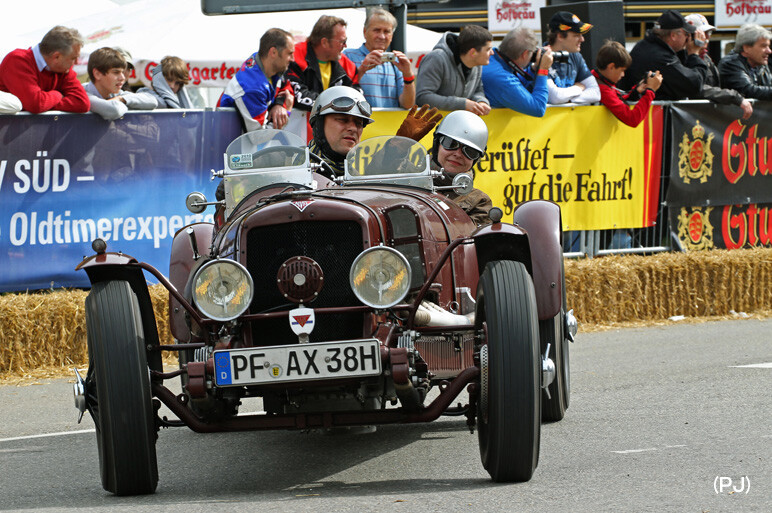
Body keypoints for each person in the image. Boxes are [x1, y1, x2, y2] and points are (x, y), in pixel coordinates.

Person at [618, 9, 708, 100]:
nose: (688, 38)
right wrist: (694, 54)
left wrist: (685, 52)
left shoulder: (649, 45)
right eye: (686, 34)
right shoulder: (660, 57)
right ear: (673, 36)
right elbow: (694, 85)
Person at [218, 28, 296, 130]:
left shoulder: (264, 62)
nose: (293, 59)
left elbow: (285, 87)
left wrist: (279, 104)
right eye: (289, 53)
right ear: (273, 52)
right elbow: (259, 139)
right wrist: (287, 112)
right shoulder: (252, 89)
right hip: (230, 142)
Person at [0, 25, 89, 114]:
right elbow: (36, 104)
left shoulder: (63, 70)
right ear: (56, 57)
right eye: (73, 58)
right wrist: (57, 94)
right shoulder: (17, 60)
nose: (76, 62)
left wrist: (45, 103)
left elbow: (82, 103)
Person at [343, 8, 415, 109]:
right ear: (365, 32)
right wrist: (362, 69)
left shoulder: (396, 61)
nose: (382, 36)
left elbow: (407, 104)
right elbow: (342, 94)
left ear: (392, 36)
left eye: (386, 32)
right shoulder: (348, 56)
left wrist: (408, 75)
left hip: (388, 123)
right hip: (358, 123)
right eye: (377, 30)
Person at [684, 14, 753, 119]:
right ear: (689, 36)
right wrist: (734, 97)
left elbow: (716, 86)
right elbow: (698, 88)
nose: (707, 37)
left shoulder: (706, 58)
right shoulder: (682, 58)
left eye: (709, 33)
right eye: (702, 33)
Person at [431, 111, 493, 226]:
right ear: (437, 144)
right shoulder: (411, 176)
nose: (458, 154)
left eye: (469, 151)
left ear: (475, 160)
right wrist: (397, 147)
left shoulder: (480, 202)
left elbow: (467, 237)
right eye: (451, 144)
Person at [415, 25, 493, 114]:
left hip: (459, 124)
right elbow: (423, 97)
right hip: (433, 126)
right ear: (473, 52)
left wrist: (481, 102)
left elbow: (478, 90)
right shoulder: (437, 59)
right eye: (488, 49)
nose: (492, 52)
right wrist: (463, 104)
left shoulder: (478, 64)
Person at [287, 16, 359, 112]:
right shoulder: (294, 57)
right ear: (324, 42)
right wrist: (336, 104)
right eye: (342, 41)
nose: (345, 46)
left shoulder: (347, 65)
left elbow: (356, 94)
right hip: (300, 125)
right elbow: (298, 97)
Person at [482, 27, 553, 117]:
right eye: (532, 52)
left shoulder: (493, 58)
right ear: (524, 54)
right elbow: (538, 108)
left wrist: (534, 69)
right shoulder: (502, 79)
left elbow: (520, 85)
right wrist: (543, 69)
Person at [591, 40, 661, 127]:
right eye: (622, 70)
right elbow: (632, 119)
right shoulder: (602, 88)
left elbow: (617, 101)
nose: (623, 75)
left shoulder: (598, 78)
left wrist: (635, 92)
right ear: (611, 67)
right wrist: (650, 91)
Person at [307, 85, 374, 177]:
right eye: (343, 120)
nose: (353, 128)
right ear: (319, 125)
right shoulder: (292, 167)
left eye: (359, 123)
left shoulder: (358, 181)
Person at [83, 47, 157, 121]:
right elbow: (115, 110)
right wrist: (125, 103)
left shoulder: (116, 94)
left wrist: (122, 99)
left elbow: (153, 101)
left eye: (123, 71)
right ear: (97, 74)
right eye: (116, 72)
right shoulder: (81, 93)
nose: (122, 77)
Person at [544, 11, 600, 105]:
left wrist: (568, 100)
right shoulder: (542, 57)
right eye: (577, 35)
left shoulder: (576, 56)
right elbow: (555, 97)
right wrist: (578, 88)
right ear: (560, 36)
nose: (582, 39)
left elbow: (596, 93)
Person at [718, 23, 772, 101]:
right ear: (746, 48)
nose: (769, 51)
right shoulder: (730, 64)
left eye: (768, 46)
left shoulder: (761, 64)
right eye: (763, 46)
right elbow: (747, 90)